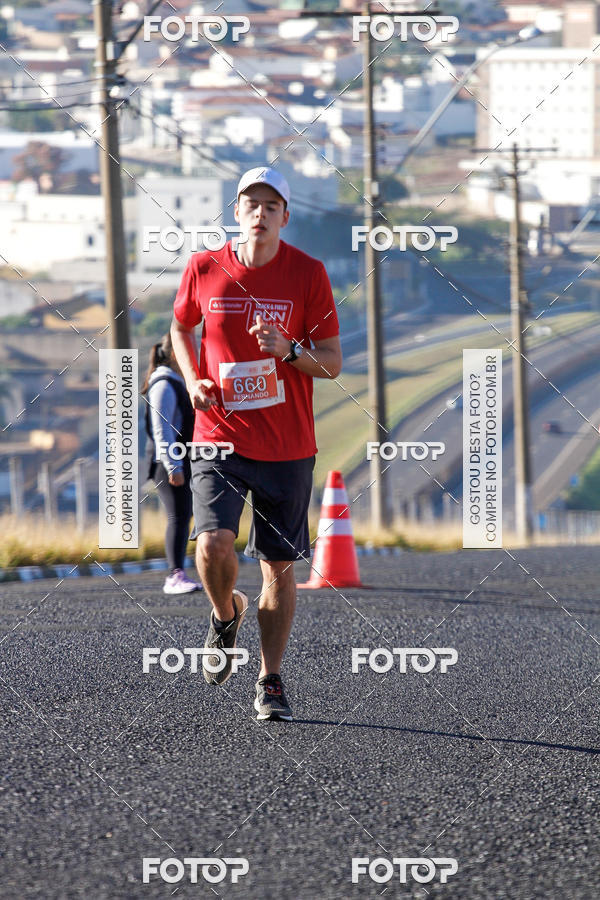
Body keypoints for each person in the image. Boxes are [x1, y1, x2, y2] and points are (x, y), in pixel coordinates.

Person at [170, 165, 342, 721]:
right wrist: (193, 375)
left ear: (285, 217)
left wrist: (288, 350)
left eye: (271, 206)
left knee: (278, 568)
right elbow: (180, 327)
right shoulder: (204, 266)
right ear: (236, 213)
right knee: (213, 545)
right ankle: (225, 616)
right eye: (251, 204)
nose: (260, 214)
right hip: (218, 435)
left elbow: (334, 364)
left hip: (287, 445)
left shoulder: (309, 274)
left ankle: (270, 680)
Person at [142, 334, 202, 595]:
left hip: (179, 459)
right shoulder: (164, 384)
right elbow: (161, 428)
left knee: (184, 516)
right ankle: (174, 576)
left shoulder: (176, 381)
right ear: (178, 354)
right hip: (167, 463)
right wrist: (173, 466)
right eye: (192, 350)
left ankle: (179, 572)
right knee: (178, 517)